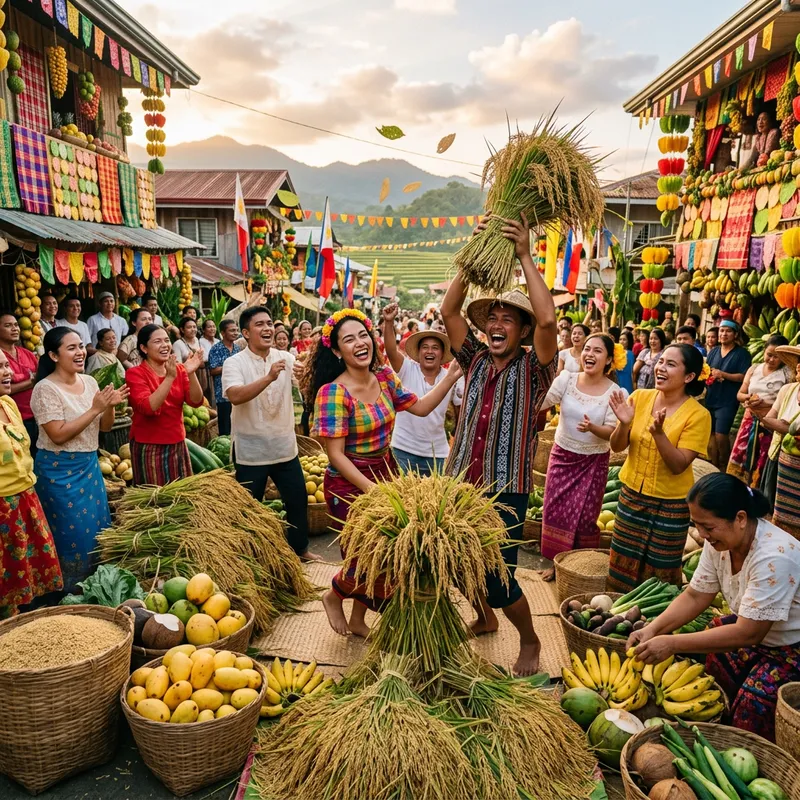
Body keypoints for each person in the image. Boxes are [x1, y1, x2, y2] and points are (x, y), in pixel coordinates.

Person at [442, 213, 558, 676]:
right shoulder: (472, 359)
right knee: (452, 557)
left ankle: (528, 640)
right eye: (492, 316)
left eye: (508, 318)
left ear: (523, 332)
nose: (497, 322)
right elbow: (451, 312)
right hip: (458, 483)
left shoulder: (535, 368)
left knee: (499, 577)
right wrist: (471, 263)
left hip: (503, 490)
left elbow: (548, 317)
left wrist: (526, 254)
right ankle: (485, 617)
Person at [305, 308, 461, 638]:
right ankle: (333, 595)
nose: (359, 343)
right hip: (348, 481)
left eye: (363, 335)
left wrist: (449, 378)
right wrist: (371, 490)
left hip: (386, 469)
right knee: (365, 554)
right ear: (336, 351)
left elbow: (419, 407)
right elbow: (334, 454)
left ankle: (359, 619)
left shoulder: (386, 378)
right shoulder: (332, 393)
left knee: (387, 550)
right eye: (349, 339)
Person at [628, 473, 800, 742]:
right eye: (697, 525)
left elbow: (747, 634)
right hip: (755, 632)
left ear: (740, 519)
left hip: (790, 649)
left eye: (707, 527)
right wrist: (653, 629)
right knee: (714, 668)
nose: (702, 534)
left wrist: (672, 644)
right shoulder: (720, 542)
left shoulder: (775, 557)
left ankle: (750, 745)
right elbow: (696, 595)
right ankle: (722, 715)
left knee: (752, 708)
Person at [608, 343, 712, 591]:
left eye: (671, 364)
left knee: (660, 571)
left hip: (671, 505)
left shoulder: (699, 415)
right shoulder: (639, 398)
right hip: (631, 494)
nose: (661, 368)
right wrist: (623, 425)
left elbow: (679, 465)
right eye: (661, 361)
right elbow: (616, 446)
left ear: (689, 377)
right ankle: (615, 613)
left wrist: (659, 435)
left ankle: (655, 625)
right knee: (622, 562)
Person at [30, 329, 128, 590]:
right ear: (53, 355)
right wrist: (95, 408)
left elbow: (105, 429)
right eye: (71, 348)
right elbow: (58, 435)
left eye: (81, 346)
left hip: (89, 467)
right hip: (58, 473)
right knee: (71, 534)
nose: (80, 352)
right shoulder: (45, 389)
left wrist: (109, 406)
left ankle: (98, 588)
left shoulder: (90, 382)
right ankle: (69, 590)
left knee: (97, 530)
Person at [223, 307, 320, 562]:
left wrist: (305, 375)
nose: (267, 328)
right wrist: (268, 377)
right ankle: (248, 556)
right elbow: (234, 395)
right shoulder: (234, 362)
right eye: (259, 325)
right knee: (249, 508)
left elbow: (305, 384)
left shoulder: (285, 357)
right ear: (245, 333)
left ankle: (300, 550)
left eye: (269, 323)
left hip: (284, 447)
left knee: (297, 500)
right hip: (251, 452)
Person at [540, 334, 628, 581]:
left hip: (593, 462)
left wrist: (592, 428)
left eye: (598, 351)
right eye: (587, 349)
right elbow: (542, 402)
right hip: (562, 455)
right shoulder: (566, 379)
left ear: (609, 359)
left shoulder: (615, 392)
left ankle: (578, 567)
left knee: (585, 517)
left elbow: (612, 433)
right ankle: (556, 564)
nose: (590, 354)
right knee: (554, 511)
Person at [0, 348, 63, 618]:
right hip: (2, 505)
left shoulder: (9, 404)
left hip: (26, 496)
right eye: (0, 368)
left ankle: (28, 621)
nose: (8, 372)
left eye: (6, 365)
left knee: (30, 573)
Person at [382, 301, 462, 475]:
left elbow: (459, 410)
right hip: (403, 449)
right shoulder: (407, 369)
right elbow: (390, 350)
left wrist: (458, 439)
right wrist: (389, 323)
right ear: (418, 353)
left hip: (437, 454)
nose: (429, 352)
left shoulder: (451, 377)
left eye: (435, 348)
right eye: (425, 347)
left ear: (442, 354)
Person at [126, 325, 205, 486]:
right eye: (157, 341)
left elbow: (196, 401)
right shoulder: (135, 373)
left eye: (167, 340)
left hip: (177, 442)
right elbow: (148, 408)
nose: (165, 345)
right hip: (149, 446)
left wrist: (191, 372)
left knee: (180, 495)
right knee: (156, 499)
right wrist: (169, 377)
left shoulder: (178, 369)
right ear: (144, 348)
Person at [728, 335, 791, 489]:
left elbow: (787, 400)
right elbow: (740, 394)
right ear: (764, 351)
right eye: (769, 355)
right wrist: (748, 398)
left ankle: (756, 491)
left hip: (770, 422)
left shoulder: (788, 373)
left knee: (762, 457)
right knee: (741, 455)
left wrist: (768, 409)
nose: (771, 360)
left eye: (777, 357)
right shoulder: (754, 368)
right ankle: (737, 489)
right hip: (749, 419)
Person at [755, 345, 800, 534]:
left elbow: (778, 423)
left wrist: (781, 425)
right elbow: (769, 420)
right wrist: (759, 411)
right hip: (781, 461)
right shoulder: (787, 390)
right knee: (777, 513)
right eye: (798, 363)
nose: (798, 366)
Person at [706, 319, 752, 469]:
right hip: (711, 396)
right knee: (711, 434)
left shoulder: (742, 354)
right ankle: (713, 465)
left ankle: (725, 466)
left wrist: (723, 375)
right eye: (721, 331)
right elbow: (707, 370)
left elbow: (744, 377)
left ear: (735, 334)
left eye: (728, 331)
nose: (723, 334)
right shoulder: (713, 351)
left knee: (721, 435)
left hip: (727, 400)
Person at [0, 313, 39, 450]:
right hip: (14, 419)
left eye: (16, 325)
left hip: (36, 415)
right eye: (8, 325)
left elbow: (39, 378)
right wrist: (30, 382)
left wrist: (22, 383)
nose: (14, 328)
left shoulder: (27, 353)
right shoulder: (1, 357)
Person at [208, 320, 241, 437]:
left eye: (237, 330)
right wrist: (230, 366)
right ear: (223, 333)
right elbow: (213, 370)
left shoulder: (237, 348)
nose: (235, 333)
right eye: (232, 330)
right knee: (225, 429)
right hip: (223, 394)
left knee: (237, 426)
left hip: (238, 392)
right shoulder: (215, 349)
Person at [617, 329, 636, 394]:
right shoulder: (616, 352)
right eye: (620, 339)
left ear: (628, 341)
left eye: (624, 340)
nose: (621, 341)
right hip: (616, 379)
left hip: (626, 380)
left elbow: (631, 371)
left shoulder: (629, 354)